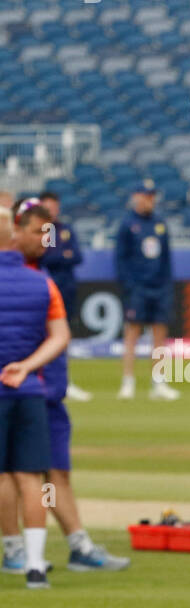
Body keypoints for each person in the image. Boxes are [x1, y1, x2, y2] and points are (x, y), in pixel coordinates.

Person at [0, 202, 128, 574]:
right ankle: (25, 546)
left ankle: (70, 544)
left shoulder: (45, 269)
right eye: (39, 233)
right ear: (15, 232)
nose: (47, 241)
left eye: (49, 233)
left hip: (47, 388)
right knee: (25, 473)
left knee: (55, 470)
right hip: (28, 386)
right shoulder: (31, 276)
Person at [0, 206, 71, 589]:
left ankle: (10, 549)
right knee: (33, 479)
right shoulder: (43, 283)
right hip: (28, 390)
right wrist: (27, 366)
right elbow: (60, 336)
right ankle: (35, 564)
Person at [115, 180, 180, 401]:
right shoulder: (127, 224)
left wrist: (166, 284)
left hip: (159, 287)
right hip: (138, 288)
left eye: (151, 196)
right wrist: (130, 285)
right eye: (145, 195)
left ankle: (158, 382)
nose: (148, 200)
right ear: (136, 197)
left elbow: (166, 258)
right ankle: (128, 381)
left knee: (160, 335)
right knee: (132, 333)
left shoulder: (160, 223)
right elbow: (120, 259)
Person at [37, 191, 90, 402]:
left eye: (53, 206)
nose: (51, 210)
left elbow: (77, 256)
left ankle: (64, 379)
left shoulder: (66, 229)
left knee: (64, 333)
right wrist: (62, 255)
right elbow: (46, 256)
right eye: (47, 206)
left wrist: (61, 256)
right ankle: (45, 377)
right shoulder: (43, 229)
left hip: (66, 289)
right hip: (47, 289)